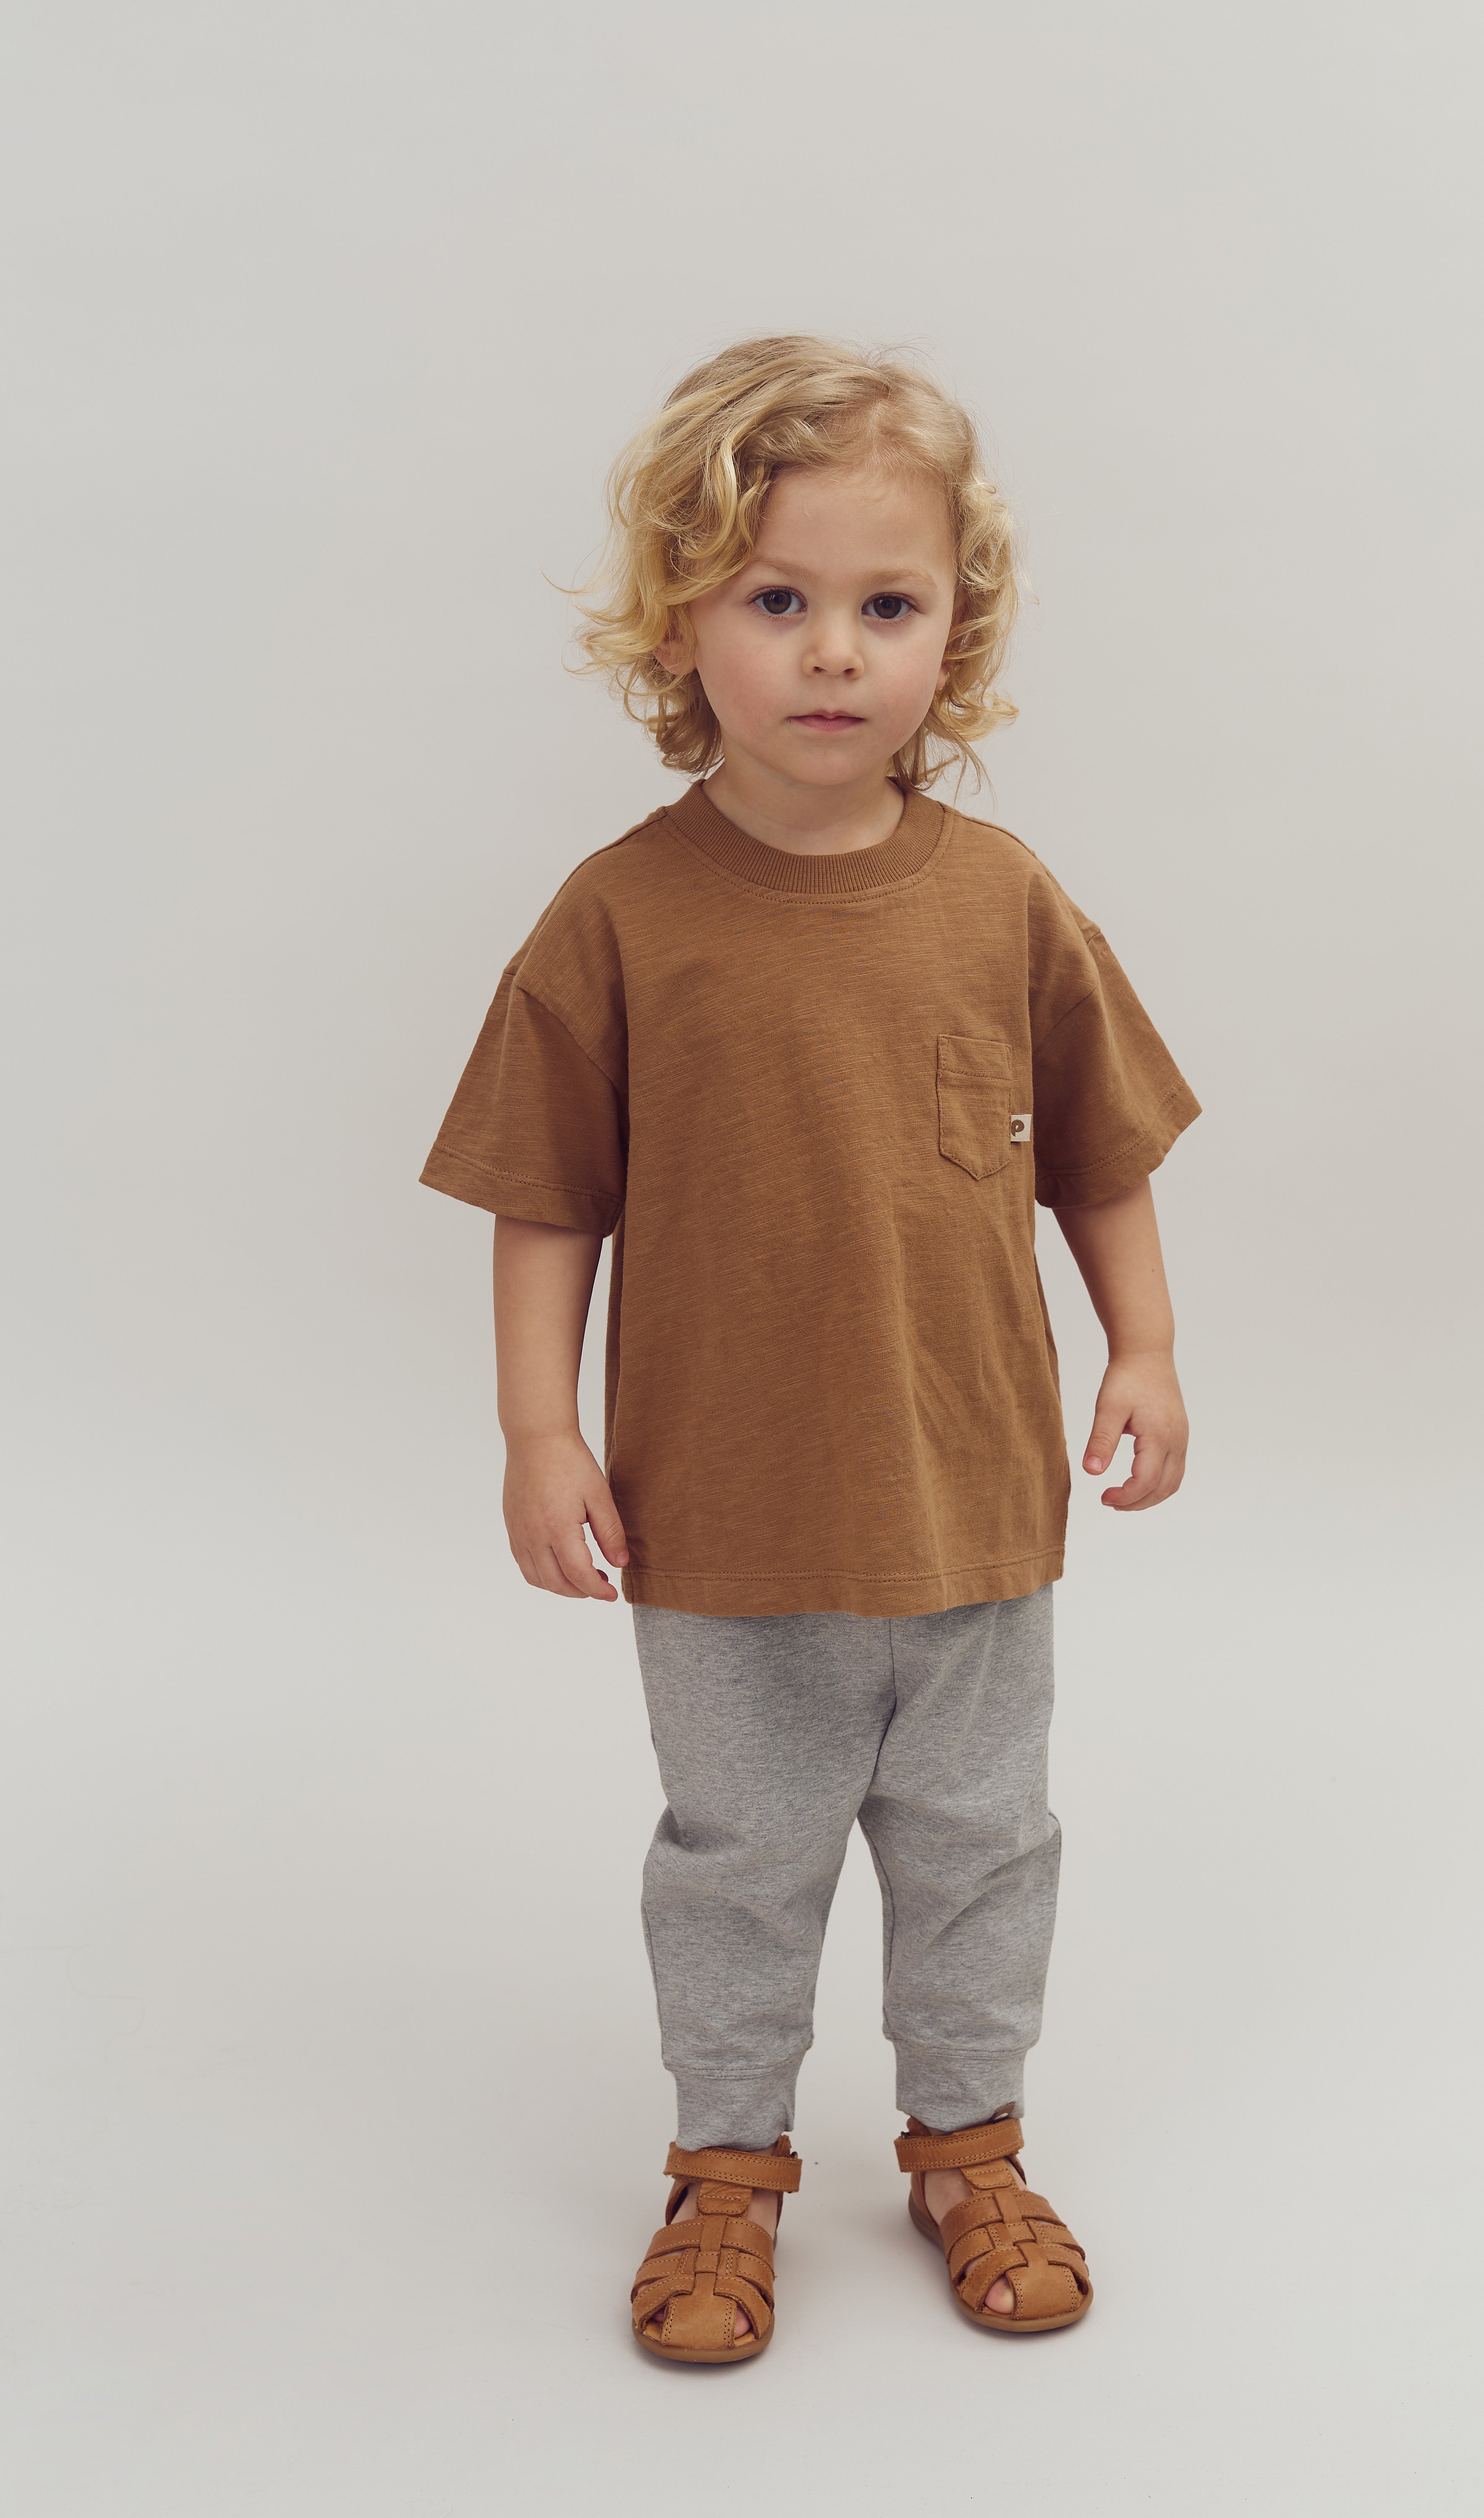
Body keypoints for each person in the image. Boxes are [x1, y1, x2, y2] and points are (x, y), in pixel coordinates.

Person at [421, 337, 1200, 2363]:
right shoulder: (617, 918)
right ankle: (727, 2176)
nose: (834, 652)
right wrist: (535, 1430)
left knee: (979, 1853)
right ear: (686, 621)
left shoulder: (1004, 900)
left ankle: (967, 2145)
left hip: (972, 1521)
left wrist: (1145, 1350)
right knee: (739, 1866)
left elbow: (1099, 1154)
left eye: (887, 603)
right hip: (729, 1530)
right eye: (779, 600)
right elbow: (545, 1199)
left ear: (958, 629)